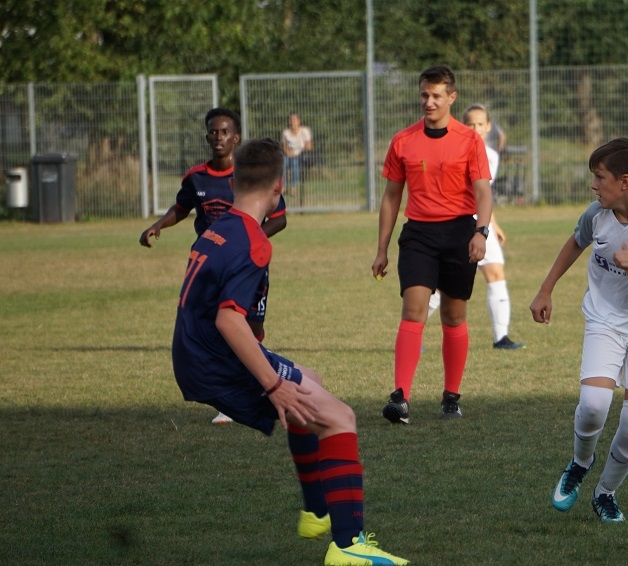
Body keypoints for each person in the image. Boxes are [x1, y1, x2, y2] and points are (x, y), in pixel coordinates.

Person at [172, 138, 408, 566]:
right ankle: (348, 546)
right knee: (340, 417)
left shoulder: (218, 227)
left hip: (195, 352)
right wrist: (273, 383)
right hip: (214, 360)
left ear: (234, 183)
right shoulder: (252, 240)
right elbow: (229, 320)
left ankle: (316, 512)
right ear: (279, 188)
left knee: (310, 381)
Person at [529, 138, 628, 524]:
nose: (594, 185)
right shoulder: (596, 214)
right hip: (605, 320)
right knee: (594, 404)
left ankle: (605, 493)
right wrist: (546, 289)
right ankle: (580, 463)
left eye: (600, 177)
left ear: (625, 181)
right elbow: (575, 242)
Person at [140, 107, 288, 425]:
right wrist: (158, 224)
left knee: (252, 328)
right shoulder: (196, 177)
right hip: (211, 265)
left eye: (224, 132)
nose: (218, 137)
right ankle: (232, 395)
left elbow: (279, 219)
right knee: (219, 325)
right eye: (212, 131)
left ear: (236, 137)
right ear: (207, 136)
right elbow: (181, 208)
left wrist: (245, 243)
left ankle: (257, 381)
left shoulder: (250, 175)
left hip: (248, 263)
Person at [371, 65, 493, 425]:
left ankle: (451, 397)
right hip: (419, 235)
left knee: (453, 316)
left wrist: (481, 232)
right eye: (424, 94)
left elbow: (483, 191)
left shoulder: (470, 140)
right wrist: (381, 249)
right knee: (414, 309)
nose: (429, 101)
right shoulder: (403, 141)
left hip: (459, 234)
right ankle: (400, 398)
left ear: (451, 97)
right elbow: (391, 197)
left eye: (436, 95)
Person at [427, 103, 524, 350]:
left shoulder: (491, 155)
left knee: (496, 273)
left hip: (481, 225)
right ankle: (411, 331)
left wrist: (493, 224)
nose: (475, 128)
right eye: (470, 124)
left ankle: (501, 338)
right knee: (442, 285)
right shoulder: (454, 151)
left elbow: (483, 195)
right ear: (463, 125)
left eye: (480, 124)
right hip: (459, 224)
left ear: (488, 127)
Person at [282, 112, 313, 198]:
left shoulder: (305, 131)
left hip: (301, 154)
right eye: (291, 120)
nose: (292, 122)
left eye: (294, 120)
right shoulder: (285, 132)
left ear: (299, 121)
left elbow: (309, 146)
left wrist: (298, 152)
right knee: (282, 163)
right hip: (289, 154)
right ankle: (283, 187)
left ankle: (293, 187)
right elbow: (284, 146)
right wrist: (288, 152)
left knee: (295, 163)